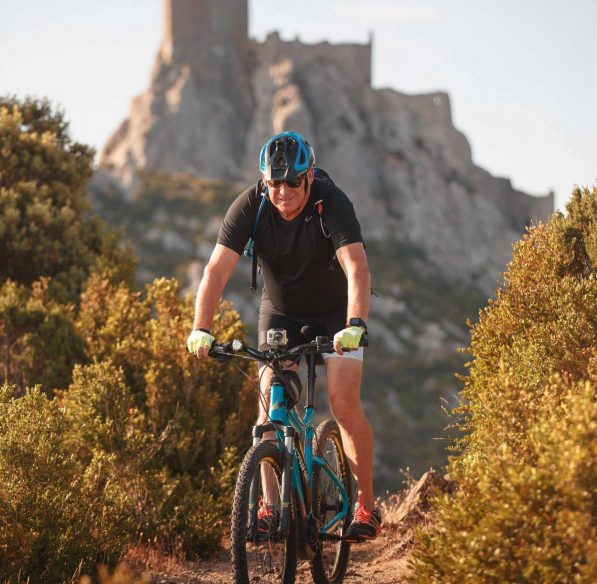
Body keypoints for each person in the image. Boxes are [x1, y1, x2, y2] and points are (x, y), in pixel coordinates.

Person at [187, 131, 381, 542]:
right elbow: (216, 271)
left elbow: (356, 267)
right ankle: (270, 507)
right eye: (275, 183)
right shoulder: (250, 206)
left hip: (335, 316)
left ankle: (365, 505)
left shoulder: (331, 202)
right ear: (264, 181)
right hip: (281, 313)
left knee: (343, 404)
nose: (284, 192)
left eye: (293, 181)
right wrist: (201, 327)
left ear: (309, 175)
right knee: (268, 413)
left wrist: (355, 325)